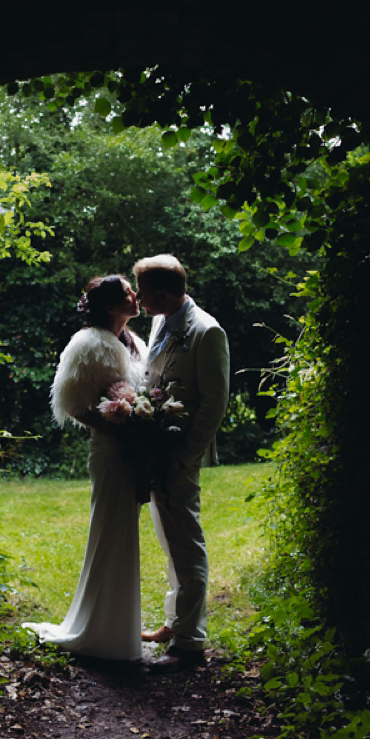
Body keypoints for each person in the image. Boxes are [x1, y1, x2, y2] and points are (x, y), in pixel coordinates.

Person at [22, 275, 147, 661]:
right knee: (111, 533)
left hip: (134, 451)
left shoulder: (132, 342)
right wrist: (118, 424)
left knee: (125, 535)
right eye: (128, 292)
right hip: (111, 453)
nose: (135, 295)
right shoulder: (88, 343)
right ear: (110, 306)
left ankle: (118, 624)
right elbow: (74, 406)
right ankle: (100, 631)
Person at [132, 254, 230, 673]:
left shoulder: (206, 332)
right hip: (157, 447)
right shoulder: (159, 321)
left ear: (162, 293)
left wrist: (187, 453)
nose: (137, 297)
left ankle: (190, 642)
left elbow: (214, 402)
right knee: (168, 537)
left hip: (182, 452)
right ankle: (176, 622)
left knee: (186, 542)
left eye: (142, 290)